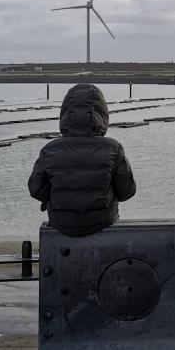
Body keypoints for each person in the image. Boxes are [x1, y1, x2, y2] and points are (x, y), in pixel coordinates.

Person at [28, 84, 136, 237]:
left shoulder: (50, 150)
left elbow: (36, 190)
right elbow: (127, 192)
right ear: (102, 114)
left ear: (65, 113)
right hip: (103, 222)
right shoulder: (113, 148)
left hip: (61, 224)